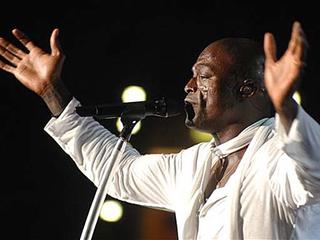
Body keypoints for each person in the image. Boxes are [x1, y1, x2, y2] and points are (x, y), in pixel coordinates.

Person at [0, 21, 319, 239]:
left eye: (203, 76)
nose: (189, 86)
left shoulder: (277, 159)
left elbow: (314, 170)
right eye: (192, 75)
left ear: (247, 90)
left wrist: (287, 108)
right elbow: (120, 172)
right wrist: (51, 91)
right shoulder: (193, 165)